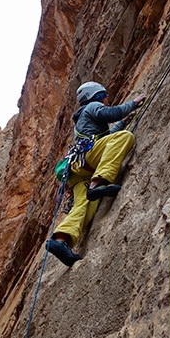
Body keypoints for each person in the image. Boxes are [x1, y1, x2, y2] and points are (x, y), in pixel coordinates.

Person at [47, 81, 146, 266]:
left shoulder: (85, 120)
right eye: (105, 95)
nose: (107, 99)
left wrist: (122, 123)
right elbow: (110, 114)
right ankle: (98, 183)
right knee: (125, 137)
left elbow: (102, 140)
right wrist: (133, 103)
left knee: (85, 205)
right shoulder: (93, 106)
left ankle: (60, 241)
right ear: (97, 94)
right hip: (88, 160)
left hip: (78, 171)